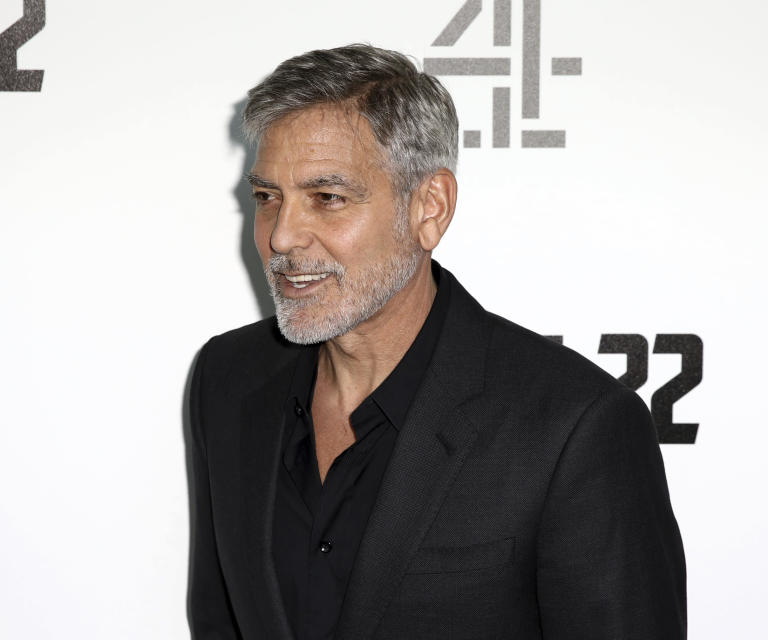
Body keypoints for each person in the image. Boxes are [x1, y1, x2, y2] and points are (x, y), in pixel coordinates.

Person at [187, 44, 686, 640]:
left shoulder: (573, 426)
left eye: (328, 198)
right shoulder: (228, 378)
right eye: (268, 198)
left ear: (430, 207)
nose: (282, 236)